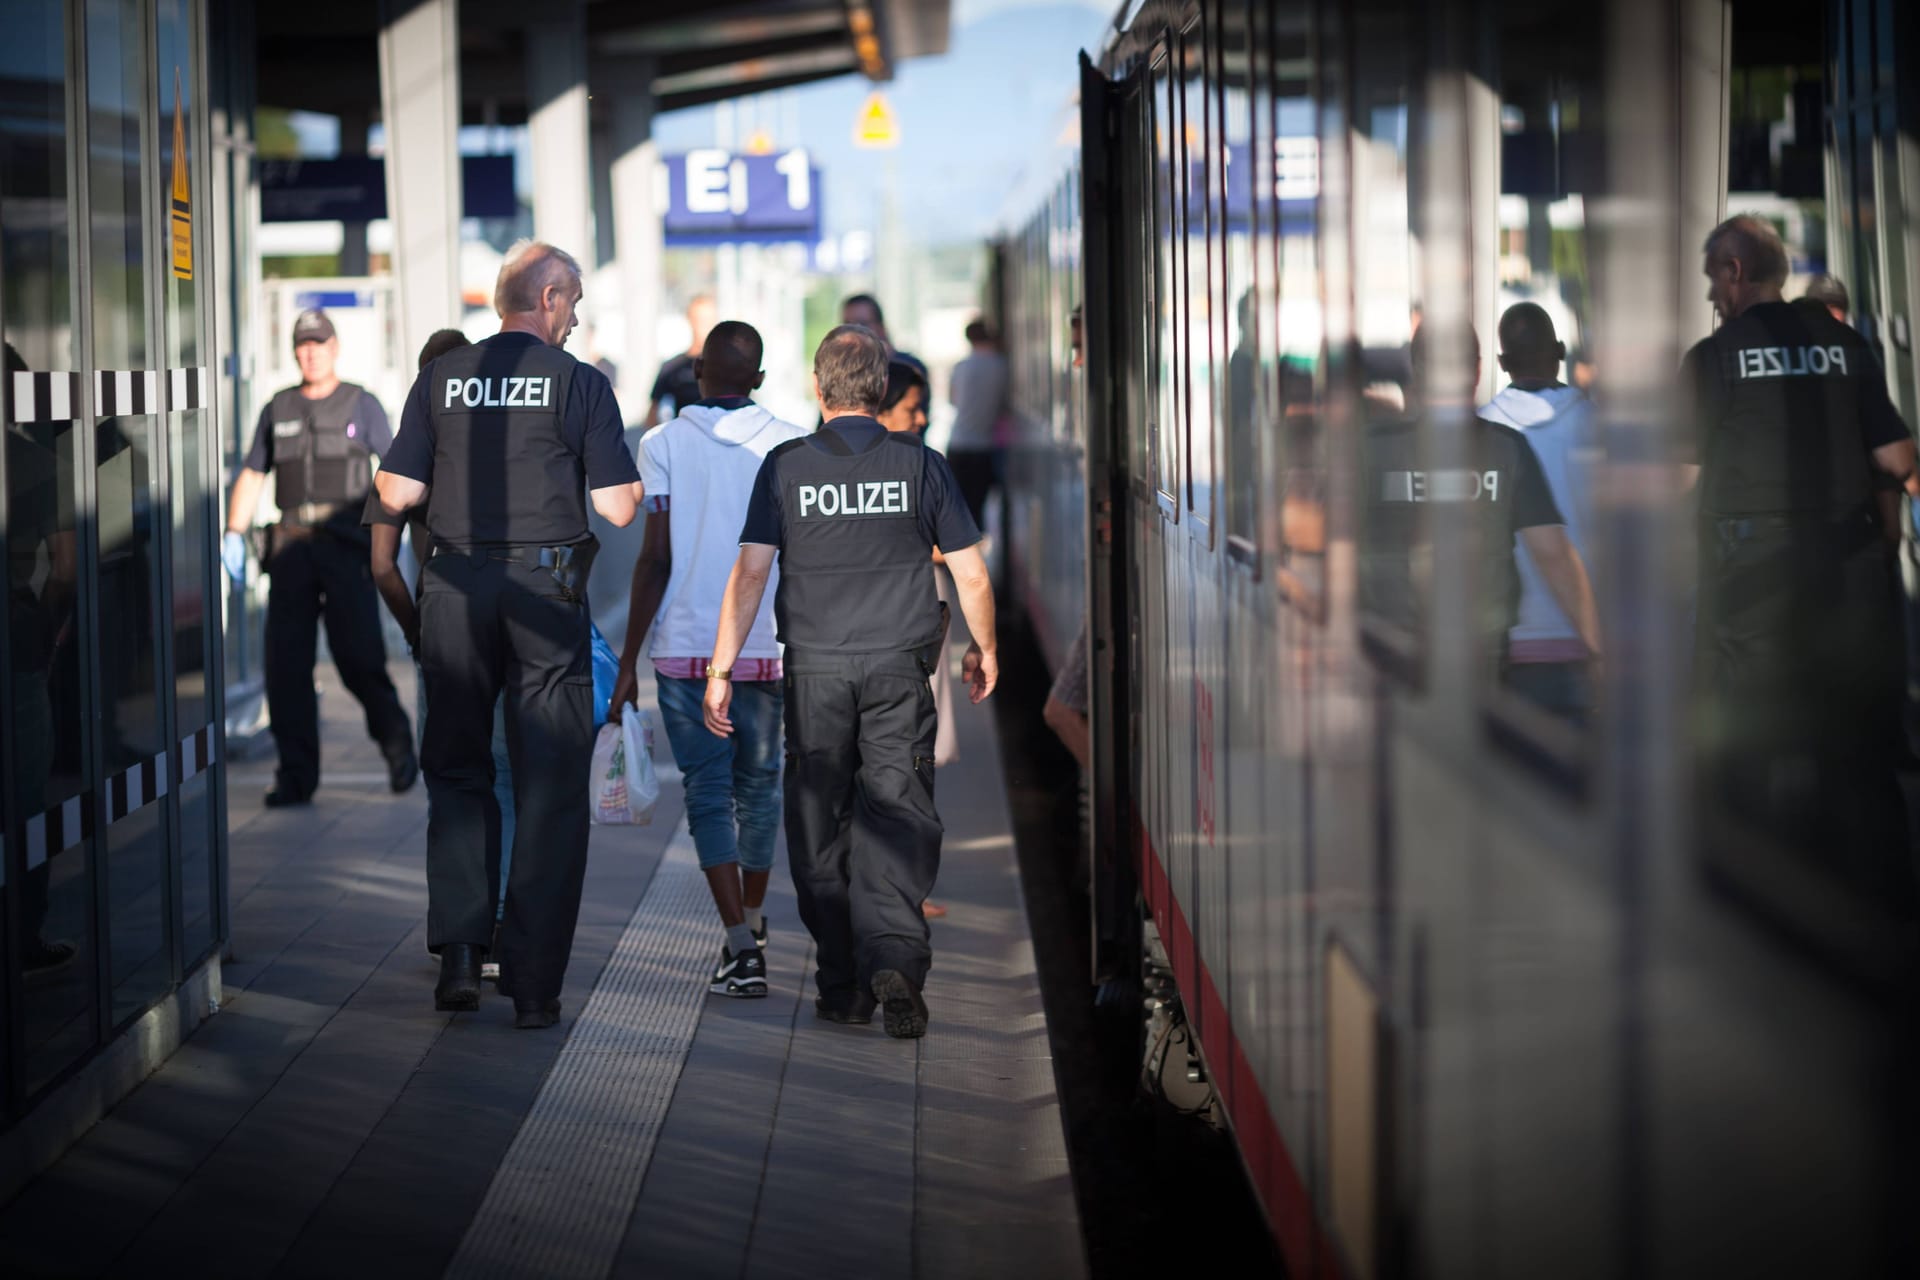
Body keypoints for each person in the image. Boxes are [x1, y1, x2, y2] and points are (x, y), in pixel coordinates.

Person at [374, 240, 644, 1028]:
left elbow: (396, 490)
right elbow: (620, 509)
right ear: (551, 297)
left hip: (453, 590)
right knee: (549, 787)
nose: (577, 317)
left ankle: (460, 956)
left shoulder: (441, 378)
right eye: (577, 302)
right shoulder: (579, 384)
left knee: (458, 774)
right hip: (542, 595)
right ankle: (531, 988)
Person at [704, 324, 997, 1039]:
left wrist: (720, 669)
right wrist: (984, 647)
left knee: (818, 822)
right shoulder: (920, 464)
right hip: (901, 667)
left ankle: (841, 984)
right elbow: (971, 573)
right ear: (879, 388)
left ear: (817, 386)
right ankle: (895, 955)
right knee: (898, 808)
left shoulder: (785, 467)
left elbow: (749, 574)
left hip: (816, 672)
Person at [1682, 214, 1919, 905]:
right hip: (1847, 581)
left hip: (1749, 587)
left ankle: (1755, 902)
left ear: (1734, 271)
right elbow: (1898, 461)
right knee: (1855, 747)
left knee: (1744, 748)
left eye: (1711, 280)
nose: (1710, 298)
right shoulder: (1847, 345)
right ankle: (1883, 899)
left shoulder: (1715, 357)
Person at [610, 320, 807, 998]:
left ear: (697, 372)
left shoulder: (660, 443)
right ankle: (752, 922)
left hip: (687, 650)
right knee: (760, 788)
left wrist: (628, 661)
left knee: (706, 794)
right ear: (757, 379)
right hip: (766, 648)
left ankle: (737, 946)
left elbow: (654, 557)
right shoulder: (788, 442)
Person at [366, 329, 518, 983]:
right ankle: (502, 922)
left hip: (444, 631)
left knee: (452, 782)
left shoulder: (409, 456)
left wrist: (417, 632)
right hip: (512, 625)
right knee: (505, 776)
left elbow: (381, 565)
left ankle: (458, 943)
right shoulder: (504, 451)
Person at [223, 309, 416, 807]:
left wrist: (395, 533)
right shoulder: (278, 407)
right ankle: (295, 775)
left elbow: (393, 470)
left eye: (318, 344)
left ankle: (396, 742)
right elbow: (251, 474)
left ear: (335, 348)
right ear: (294, 352)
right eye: (302, 345)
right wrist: (233, 533)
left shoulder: (361, 403)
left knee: (359, 659)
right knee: (286, 667)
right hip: (290, 549)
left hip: (345, 547)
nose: (310, 353)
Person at [1360, 324, 1602, 676]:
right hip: (1481, 663)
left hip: (1391, 657)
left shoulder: (1375, 449)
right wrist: (1600, 649)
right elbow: (1553, 555)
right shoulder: (1506, 448)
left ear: (1416, 368)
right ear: (1476, 370)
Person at [1477, 302, 1601, 720]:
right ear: (1560, 352)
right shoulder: (1598, 425)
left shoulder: (1485, 433)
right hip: (1591, 645)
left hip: (1510, 648)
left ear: (1501, 362)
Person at [877, 358, 952, 920]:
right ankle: (902, 890)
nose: (923, 418)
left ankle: (897, 888)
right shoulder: (918, 467)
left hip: (892, 629)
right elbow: (953, 552)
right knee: (910, 755)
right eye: (912, 408)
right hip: (909, 627)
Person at [946, 317, 1009, 528]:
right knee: (979, 510)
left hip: (958, 442)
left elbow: (953, 400)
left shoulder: (961, 367)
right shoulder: (1001, 366)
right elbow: (1003, 404)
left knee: (958, 510)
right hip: (985, 446)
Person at [645, 294, 717, 428]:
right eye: (699, 320)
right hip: (683, 442)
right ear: (689, 319)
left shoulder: (727, 367)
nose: (703, 326)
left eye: (708, 320)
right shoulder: (672, 367)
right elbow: (652, 415)